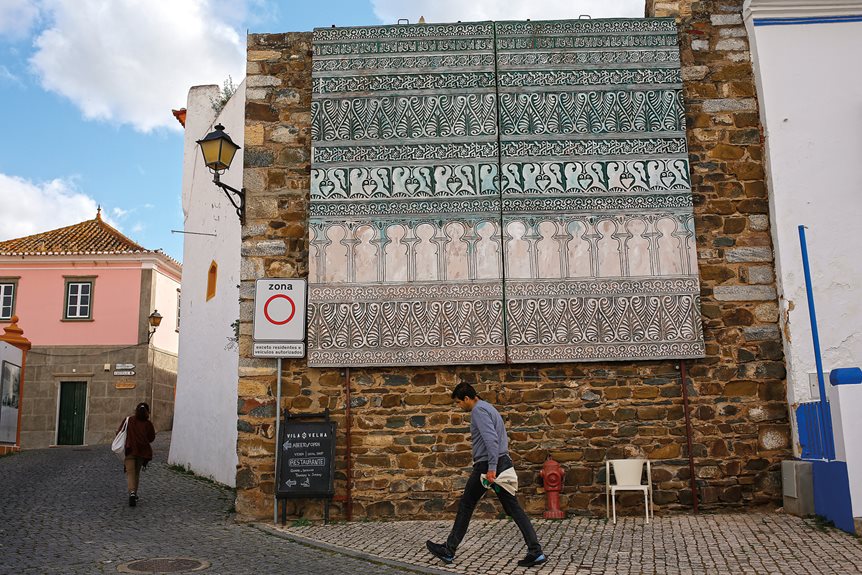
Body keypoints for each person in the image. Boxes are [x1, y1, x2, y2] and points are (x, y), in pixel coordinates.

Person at [425, 382, 546, 568]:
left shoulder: (478, 411)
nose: (459, 406)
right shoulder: (488, 407)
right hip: (501, 462)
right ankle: (536, 552)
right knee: (513, 508)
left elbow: (491, 439)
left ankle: (449, 550)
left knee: (467, 504)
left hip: (488, 466)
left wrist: (491, 468)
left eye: (458, 402)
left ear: (467, 398)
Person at [118, 402, 156, 507]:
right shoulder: (148, 424)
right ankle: (135, 494)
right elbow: (151, 438)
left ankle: (132, 493)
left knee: (130, 473)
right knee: (136, 473)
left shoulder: (129, 420)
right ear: (147, 412)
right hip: (141, 452)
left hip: (129, 450)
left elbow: (120, 431)